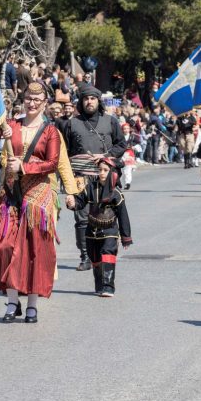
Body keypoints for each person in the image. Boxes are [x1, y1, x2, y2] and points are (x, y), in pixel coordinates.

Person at [0, 82, 60, 323]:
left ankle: (32, 304)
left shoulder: (50, 131)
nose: (32, 103)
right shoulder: (12, 125)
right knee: (5, 246)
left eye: (37, 99)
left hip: (37, 194)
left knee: (33, 250)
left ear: (45, 102)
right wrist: (0, 131)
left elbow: (52, 163)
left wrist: (25, 167)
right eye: (28, 98)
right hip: (11, 191)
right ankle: (12, 300)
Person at [64, 84, 126, 271]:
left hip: (105, 177)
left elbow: (121, 144)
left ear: (98, 101)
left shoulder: (111, 121)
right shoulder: (72, 123)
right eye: (85, 99)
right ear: (81, 102)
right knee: (82, 219)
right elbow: (64, 153)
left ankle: (106, 252)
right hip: (80, 177)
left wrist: (106, 157)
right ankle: (85, 256)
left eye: (92, 98)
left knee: (106, 217)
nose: (89, 102)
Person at [65, 157, 132, 296]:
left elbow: (123, 216)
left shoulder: (116, 193)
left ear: (112, 172)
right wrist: (72, 203)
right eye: (99, 170)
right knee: (94, 258)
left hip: (110, 230)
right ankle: (100, 285)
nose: (101, 173)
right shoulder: (90, 187)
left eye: (105, 170)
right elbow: (80, 202)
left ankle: (108, 287)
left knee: (108, 253)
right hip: (92, 230)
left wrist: (126, 237)